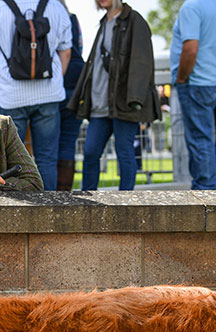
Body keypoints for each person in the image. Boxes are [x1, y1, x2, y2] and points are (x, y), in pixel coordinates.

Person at [68, 0, 161, 191]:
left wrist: (134, 99)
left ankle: (125, 204)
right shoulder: (104, 23)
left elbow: (142, 64)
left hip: (124, 103)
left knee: (124, 152)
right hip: (99, 104)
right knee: (91, 153)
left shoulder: (135, 21)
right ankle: (88, 204)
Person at [0, 0, 72, 191]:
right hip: (48, 95)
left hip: (12, 96)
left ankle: (15, 206)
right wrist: (55, 80)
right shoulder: (56, 7)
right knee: (47, 157)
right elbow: (66, 52)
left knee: (9, 158)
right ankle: (48, 207)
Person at [170, 0, 216, 190]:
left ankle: (205, 194)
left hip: (196, 83)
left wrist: (181, 78)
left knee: (200, 140)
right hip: (211, 80)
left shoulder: (191, 7)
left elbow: (190, 48)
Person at [56, 0, 85, 191]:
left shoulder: (48, 16)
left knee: (47, 148)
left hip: (53, 88)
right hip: (76, 85)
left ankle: (48, 193)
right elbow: (79, 48)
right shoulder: (72, 19)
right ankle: (65, 193)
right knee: (67, 144)